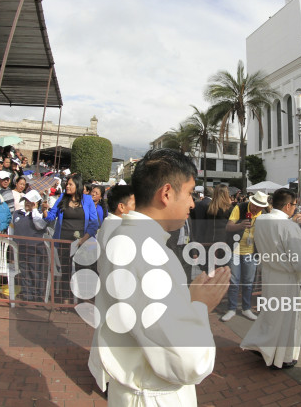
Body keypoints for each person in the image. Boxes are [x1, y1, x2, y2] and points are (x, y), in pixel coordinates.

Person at [89, 148, 230, 405]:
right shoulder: (143, 250)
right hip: (153, 395)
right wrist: (200, 305)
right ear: (166, 193)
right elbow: (187, 360)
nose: (192, 203)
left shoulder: (132, 237)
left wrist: (188, 299)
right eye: (189, 193)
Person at [240, 188, 301, 368]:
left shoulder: (261, 220)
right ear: (287, 206)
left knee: (271, 313)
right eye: (294, 205)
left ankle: (262, 343)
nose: (295, 208)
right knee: (286, 317)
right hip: (285, 276)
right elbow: (300, 259)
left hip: (269, 272)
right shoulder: (289, 226)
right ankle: (281, 355)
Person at [220, 190, 269, 322]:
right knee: (234, 281)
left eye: (259, 207)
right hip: (235, 251)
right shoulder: (240, 208)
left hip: (251, 252)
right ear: (251, 202)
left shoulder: (264, 215)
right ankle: (231, 309)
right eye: (254, 206)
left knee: (248, 282)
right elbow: (228, 227)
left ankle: (246, 308)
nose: (256, 209)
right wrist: (240, 225)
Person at [12, 189, 49, 302]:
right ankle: (27, 295)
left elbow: (40, 225)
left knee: (35, 272)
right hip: (21, 248)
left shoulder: (39, 214)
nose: (27, 203)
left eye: (30, 201)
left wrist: (35, 210)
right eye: (26, 201)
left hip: (35, 249)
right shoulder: (18, 213)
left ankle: (38, 295)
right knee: (25, 272)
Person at [95, 184, 135, 253]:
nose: (137, 208)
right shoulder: (117, 228)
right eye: (134, 204)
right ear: (121, 207)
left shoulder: (111, 222)